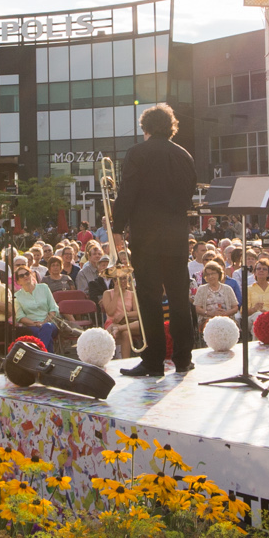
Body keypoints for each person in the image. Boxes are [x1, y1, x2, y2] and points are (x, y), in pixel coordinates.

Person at [112, 102, 201, 377]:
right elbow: (188, 197)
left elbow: (127, 193)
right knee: (178, 297)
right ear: (170, 127)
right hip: (176, 237)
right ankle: (183, 359)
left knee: (149, 298)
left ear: (146, 128)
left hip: (147, 238)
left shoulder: (137, 153)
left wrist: (116, 229)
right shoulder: (184, 155)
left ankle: (153, 362)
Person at [10, 266, 59, 351]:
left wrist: (44, 322)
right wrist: (35, 323)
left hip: (50, 322)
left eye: (27, 274)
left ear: (31, 275)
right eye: (21, 276)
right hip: (32, 325)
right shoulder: (17, 296)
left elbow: (53, 308)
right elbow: (20, 317)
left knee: (46, 328)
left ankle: (40, 354)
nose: (25, 276)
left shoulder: (44, 287)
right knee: (45, 335)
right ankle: (48, 357)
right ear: (18, 282)